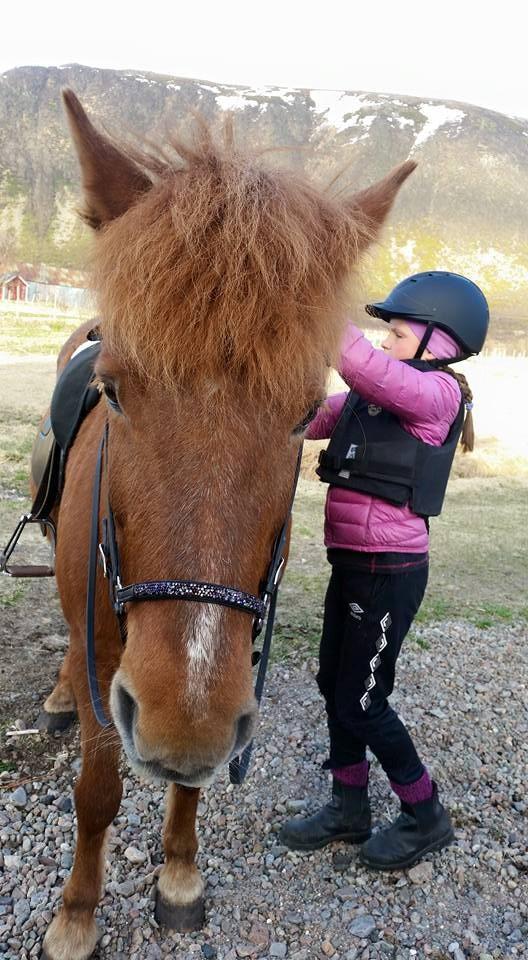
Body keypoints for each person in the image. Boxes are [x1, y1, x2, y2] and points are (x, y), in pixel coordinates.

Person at [280, 271, 489, 870]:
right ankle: (349, 805)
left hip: (390, 572)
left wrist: (319, 309)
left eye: (395, 334)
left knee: (364, 701)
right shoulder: (372, 397)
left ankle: (425, 815)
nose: (383, 345)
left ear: (436, 342)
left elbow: (369, 368)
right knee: (333, 685)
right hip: (350, 564)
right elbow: (309, 417)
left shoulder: (438, 396)